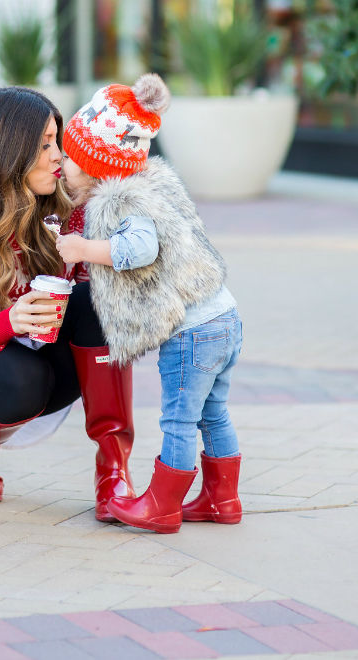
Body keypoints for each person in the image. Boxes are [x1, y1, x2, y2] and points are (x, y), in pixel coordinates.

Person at [0, 86, 135, 519]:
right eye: (45, 145)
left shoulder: (70, 212)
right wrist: (8, 322)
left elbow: (92, 310)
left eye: (58, 141)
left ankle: (114, 471)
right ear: (6, 150)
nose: (58, 156)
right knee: (22, 376)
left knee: (98, 303)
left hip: (49, 361)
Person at [55, 73, 243, 534]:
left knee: (178, 418)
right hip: (223, 315)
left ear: (97, 164)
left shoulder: (124, 200)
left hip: (191, 330)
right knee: (212, 412)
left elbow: (140, 250)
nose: (61, 167)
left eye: (69, 159)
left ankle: (161, 505)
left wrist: (80, 248)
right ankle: (223, 498)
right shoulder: (154, 185)